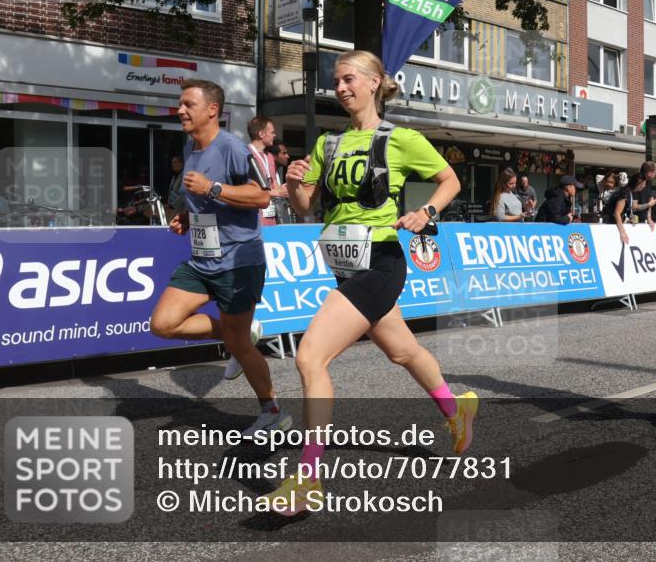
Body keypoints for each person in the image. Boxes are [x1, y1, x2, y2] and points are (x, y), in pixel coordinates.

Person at [266, 50, 477, 515]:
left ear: (375, 82)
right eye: (336, 82)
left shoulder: (401, 139)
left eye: (348, 79)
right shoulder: (328, 144)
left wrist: (426, 212)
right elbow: (304, 206)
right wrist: (295, 178)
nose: (340, 88)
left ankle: (308, 478)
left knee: (310, 356)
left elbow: (450, 180)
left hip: (381, 261)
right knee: (403, 351)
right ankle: (455, 408)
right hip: (344, 263)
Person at [149, 79, 290, 433]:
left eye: (187, 104)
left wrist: (213, 188)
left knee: (238, 342)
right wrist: (187, 216)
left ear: (212, 110)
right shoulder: (192, 146)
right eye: (180, 104)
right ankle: (241, 332)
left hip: (239, 258)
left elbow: (260, 197)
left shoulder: (233, 148)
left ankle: (273, 411)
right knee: (163, 324)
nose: (180, 110)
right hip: (202, 258)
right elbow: (201, 200)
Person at [247, 116, 282, 226]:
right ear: (261, 134)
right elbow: (248, 190)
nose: (274, 135)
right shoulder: (245, 155)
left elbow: (274, 184)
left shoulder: (270, 157)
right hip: (254, 219)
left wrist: (288, 188)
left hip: (271, 217)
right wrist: (277, 192)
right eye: (272, 132)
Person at [604, 172, 648, 244]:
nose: (644, 186)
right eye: (643, 184)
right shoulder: (624, 192)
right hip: (611, 224)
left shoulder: (628, 192)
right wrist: (623, 232)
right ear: (638, 183)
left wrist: (629, 219)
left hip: (613, 223)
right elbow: (616, 213)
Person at [266, 140, 296, 223]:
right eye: (284, 153)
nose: (288, 156)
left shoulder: (277, 173)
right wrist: (279, 192)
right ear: (273, 156)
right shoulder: (264, 172)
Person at [632, 161, 656, 229]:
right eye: (655, 173)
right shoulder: (637, 182)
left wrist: (649, 218)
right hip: (633, 221)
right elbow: (634, 207)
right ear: (649, 173)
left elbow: (649, 199)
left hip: (642, 220)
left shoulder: (649, 182)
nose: (655, 175)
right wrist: (649, 204)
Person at [164, 154, 186, 219]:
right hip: (172, 210)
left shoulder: (184, 175)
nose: (173, 164)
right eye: (172, 163)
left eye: (175, 162)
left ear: (181, 163)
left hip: (180, 210)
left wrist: (172, 205)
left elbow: (184, 194)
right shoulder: (174, 176)